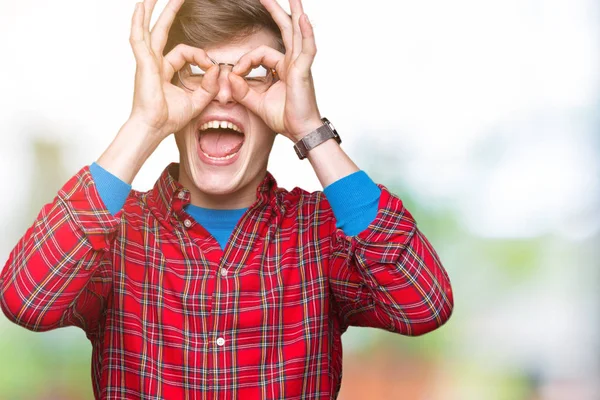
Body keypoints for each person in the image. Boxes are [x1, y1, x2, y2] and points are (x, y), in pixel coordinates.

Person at [0, 0, 454, 398]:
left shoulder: (322, 233)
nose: (221, 92)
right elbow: (26, 300)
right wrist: (144, 123)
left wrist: (310, 128)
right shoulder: (116, 232)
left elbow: (423, 302)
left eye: (255, 74)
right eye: (195, 72)